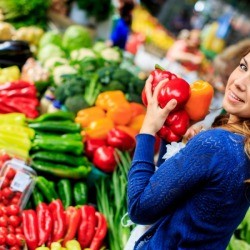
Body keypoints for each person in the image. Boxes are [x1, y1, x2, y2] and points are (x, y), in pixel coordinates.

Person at [127, 48, 250, 249]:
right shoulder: (242, 147)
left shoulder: (216, 144)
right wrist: (176, 135)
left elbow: (140, 208)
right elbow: (168, 192)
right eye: (243, 67)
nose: (239, 82)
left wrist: (148, 130)